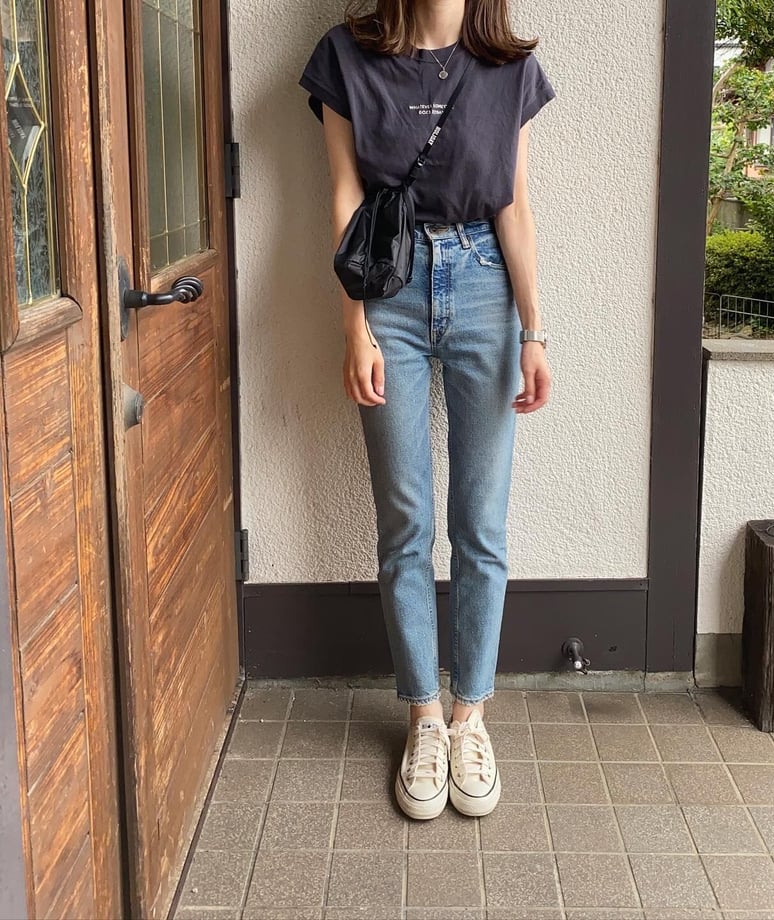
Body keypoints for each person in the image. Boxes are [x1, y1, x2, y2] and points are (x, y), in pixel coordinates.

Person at [298, 0, 554, 820]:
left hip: (485, 289)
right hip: (389, 290)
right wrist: (355, 326)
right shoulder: (346, 57)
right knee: (405, 519)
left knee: (481, 519)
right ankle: (423, 717)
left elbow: (513, 204)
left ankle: (471, 715)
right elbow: (345, 197)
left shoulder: (510, 68)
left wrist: (534, 331)